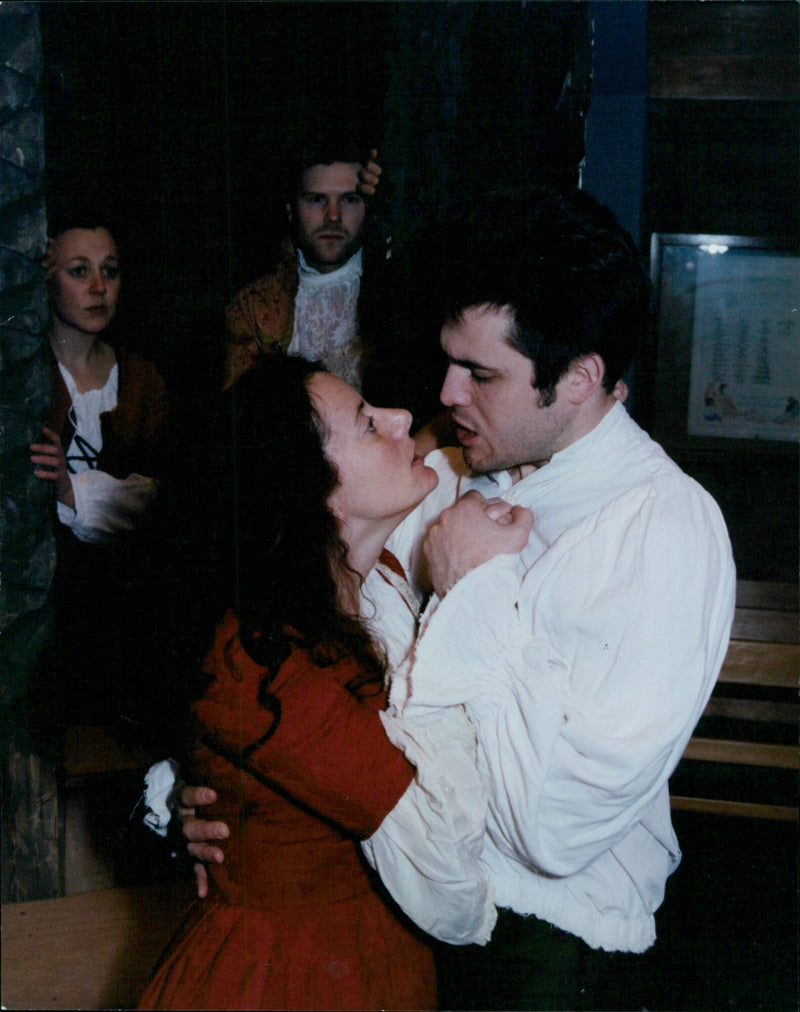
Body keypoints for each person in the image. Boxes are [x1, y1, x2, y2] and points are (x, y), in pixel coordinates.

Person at [181, 186, 736, 1010]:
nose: (444, 394)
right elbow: (298, 612)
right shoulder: (458, 467)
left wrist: (477, 584)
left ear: (580, 378)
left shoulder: (665, 529)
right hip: (394, 919)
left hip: (540, 947)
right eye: (450, 360)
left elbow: (553, 831)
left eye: (480, 373)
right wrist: (209, 793)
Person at [138, 356, 513, 1011]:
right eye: (368, 424)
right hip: (287, 978)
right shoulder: (258, 653)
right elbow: (452, 895)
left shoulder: (379, 592)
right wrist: (462, 598)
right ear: (305, 483)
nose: (404, 419)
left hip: (366, 961)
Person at [28, 216, 168, 734]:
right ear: (45, 277)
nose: (97, 288)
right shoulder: (28, 377)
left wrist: (72, 489)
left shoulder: (142, 379)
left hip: (124, 606)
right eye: (77, 271)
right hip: (46, 607)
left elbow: (160, 496)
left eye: (109, 271)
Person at [223, 140, 384, 391]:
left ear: (368, 208)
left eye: (349, 199)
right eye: (317, 199)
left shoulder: (397, 292)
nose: (333, 215)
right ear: (291, 210)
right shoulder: (253, 305)